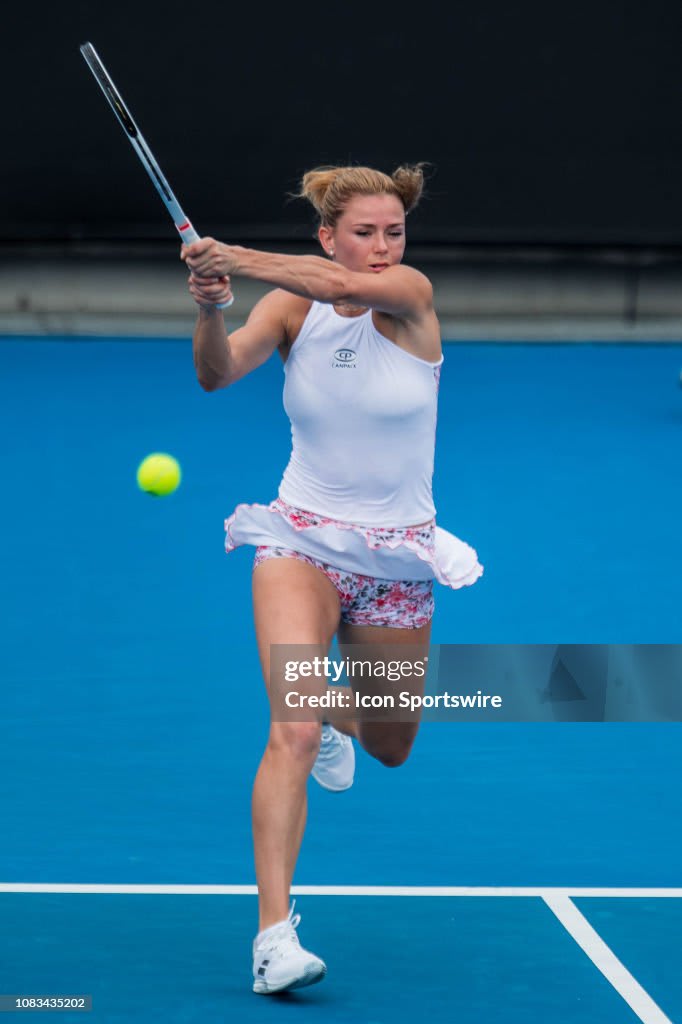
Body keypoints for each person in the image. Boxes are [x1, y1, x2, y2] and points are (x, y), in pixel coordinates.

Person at [181, 164, 483, 995]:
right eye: (364, 233)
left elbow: (329, 282)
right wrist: (211, 306)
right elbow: (215, 372)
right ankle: (273, 938)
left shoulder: (410, 295)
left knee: (391, 744)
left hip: (397, 557)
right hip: (299, 539)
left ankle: (341, 718)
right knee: (294, 727)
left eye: (393, 231)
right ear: (328, 233)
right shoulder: (289, 308)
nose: (383, 247)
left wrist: (232, 255)